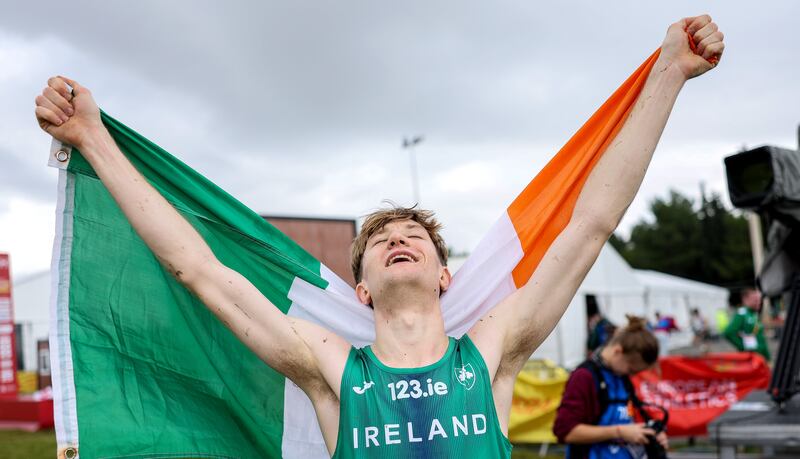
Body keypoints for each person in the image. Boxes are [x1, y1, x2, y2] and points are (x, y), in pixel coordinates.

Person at [34, 15, 724, 458]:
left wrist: (667, 75)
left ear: (444, 275)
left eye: (415, 234)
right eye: (382, 235)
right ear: (360, 285)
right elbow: (199, 269)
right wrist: (92, 137)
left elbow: (590, 224)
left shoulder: (489, 354)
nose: (400, 236)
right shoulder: (333, 370)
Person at [553, 316, 668, 459]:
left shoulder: (621, 377)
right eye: (631, 369)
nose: (631, 374)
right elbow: (565, 431)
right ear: (617, 351)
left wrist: (650, 434)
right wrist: (619, 432)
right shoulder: (584, 377)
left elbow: (628, 418)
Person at [723, 288, 770, 361]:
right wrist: (743, 347)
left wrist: (768, 356)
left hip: (762, 357)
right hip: (752, 358)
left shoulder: (754, 314)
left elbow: (759, 337)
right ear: (745, 299)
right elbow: (728, 333)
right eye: (755, 300)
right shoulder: (742, 314)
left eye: (759, 300)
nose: (758, 302)